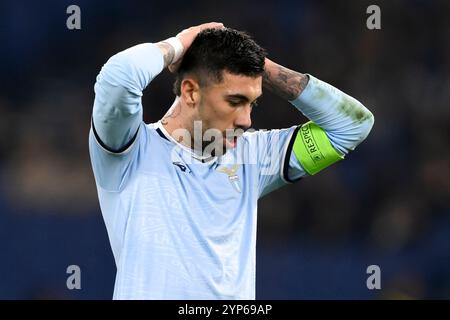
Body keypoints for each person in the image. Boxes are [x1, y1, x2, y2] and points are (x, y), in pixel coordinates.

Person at [89, 22, 374, 299]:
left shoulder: (252, 158)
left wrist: (261, 66)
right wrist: (182, 43)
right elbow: (118, 77)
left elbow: (353, 125)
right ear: (190, 91)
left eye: (252, 103)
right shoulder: (129, 150)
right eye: (235, 101)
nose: (246, 120)